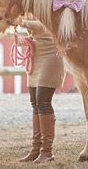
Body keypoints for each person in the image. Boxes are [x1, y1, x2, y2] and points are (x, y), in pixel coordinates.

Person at [16, 16, 65, 163]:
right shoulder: (30, 8)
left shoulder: (49, 2)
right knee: (35, 103)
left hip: (51, 54)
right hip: (37, 55)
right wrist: (26, 40)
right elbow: (37, 34)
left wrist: (22, 22)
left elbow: (46, 25)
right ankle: (36, 149)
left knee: (43, 101)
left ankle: (47, 151)